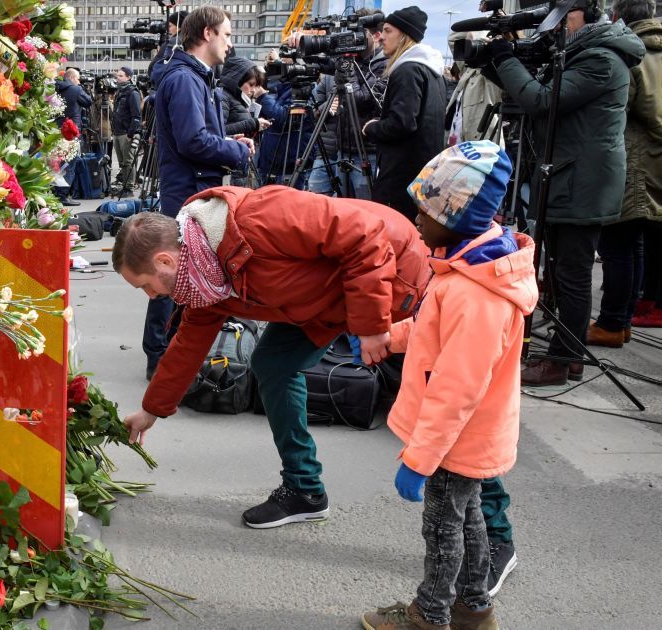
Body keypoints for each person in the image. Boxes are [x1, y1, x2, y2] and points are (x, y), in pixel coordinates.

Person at [112, 185, 431, 529]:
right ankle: (304, 491)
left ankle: (490, 530)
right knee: (273, 365)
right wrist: (151, 409)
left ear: (164, 260)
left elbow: (366, 236)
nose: (150, 295)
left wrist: (370, 324)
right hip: (327, 301)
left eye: (145, 285)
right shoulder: (201, 276)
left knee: (454, 398)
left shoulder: (257, 220)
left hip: (394, 276)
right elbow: (189, 343)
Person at [362, 140, 537, 630]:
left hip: (454, 440)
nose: (416, 219)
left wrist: (420, 459)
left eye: (426, 210)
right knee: (470, 518)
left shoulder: (473, 293)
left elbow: (457, 387)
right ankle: (475, 609)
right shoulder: (465, 267)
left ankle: (429, 615)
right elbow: (436, 334)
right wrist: (394, 337)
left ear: (458, 216)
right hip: (465, 437)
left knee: (442, 528)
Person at [486, 0, 644, 385]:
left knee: (571, 273)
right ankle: (567, 353)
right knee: (557, 268)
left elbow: (542, 101)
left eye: (565, 16)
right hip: (569, 175)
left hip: (582, 181)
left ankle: (562, 360)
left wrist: (507, 59)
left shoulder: (601, 59)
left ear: (588, 15)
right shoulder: (580, 54)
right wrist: (502, 58)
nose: (556, 25)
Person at [143, 5, 253, 381]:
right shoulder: (187, 79)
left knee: (180, 273)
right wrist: (236, 150)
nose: (230, 42)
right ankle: (162, 356)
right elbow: (193, 142)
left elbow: (198, 138)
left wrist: (225, 141)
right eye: (226, 33)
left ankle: (169, 355)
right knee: (175, 273)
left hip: (193, 187)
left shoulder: (191, 77)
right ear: (207, 33)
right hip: (190, 191)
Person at [586, 0, 661, 348]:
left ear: (617, 17)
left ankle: (613, 322)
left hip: (632, 160)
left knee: (617, 245)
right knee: (635, 245)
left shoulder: (632, 54)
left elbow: (622, 109)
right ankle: (623, 319)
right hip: (653, 162)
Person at [362, 6, 448, 221]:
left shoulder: (408, 69)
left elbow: (402, 123)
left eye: (388, 30)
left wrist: (372, 127)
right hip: (421, 175)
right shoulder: (431, 70)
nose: (381, 37)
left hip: (401, 178)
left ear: (404, 36)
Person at [304, 7, 388, 199]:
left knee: (365, 210)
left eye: (358, 34)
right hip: (343, 150)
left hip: (367, 152)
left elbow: (359, 99)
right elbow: (319, 65)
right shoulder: (352, 60)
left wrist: (347, 63)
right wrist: (305, 45)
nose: (351, 39)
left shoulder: (384, 65)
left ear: (375, 36)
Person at [445, 32, 505, 147]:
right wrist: (482, 24)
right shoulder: (468, 69)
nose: (469, 47)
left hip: (482, 148)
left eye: (471, 44)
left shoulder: (491, 75)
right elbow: (453, 39)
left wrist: (479, 37)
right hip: (458, 143)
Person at [219, 56, 270, 186]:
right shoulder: (224, 97)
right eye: (251, 85)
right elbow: (220, 131)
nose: (253, 90)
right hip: (230, 166)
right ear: (238, 80)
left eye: (256, 85)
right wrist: (253, 123)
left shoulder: (238, 99)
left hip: (238, 162)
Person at [54, 68, 93, 206]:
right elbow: (88, 101)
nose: (79, 81)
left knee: (56, 163)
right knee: (69, 163)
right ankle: (63, 195)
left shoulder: (55, 88)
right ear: (71, 78)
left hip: (56, 130)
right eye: (78, 79)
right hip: (71, 131)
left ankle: (55, 192)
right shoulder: (75, 89)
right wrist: (81, 88)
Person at [111, 67, 143, 193]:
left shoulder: (132, 93)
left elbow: (136, 116)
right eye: (117, 75)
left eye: (121, 76)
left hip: (126, 133)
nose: (118, 78)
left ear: (129, 77)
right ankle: (125, 185)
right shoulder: (119, 92)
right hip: (118, 132)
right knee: (122, 163)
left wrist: (131, 134)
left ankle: (129, 188)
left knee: (128, 162)